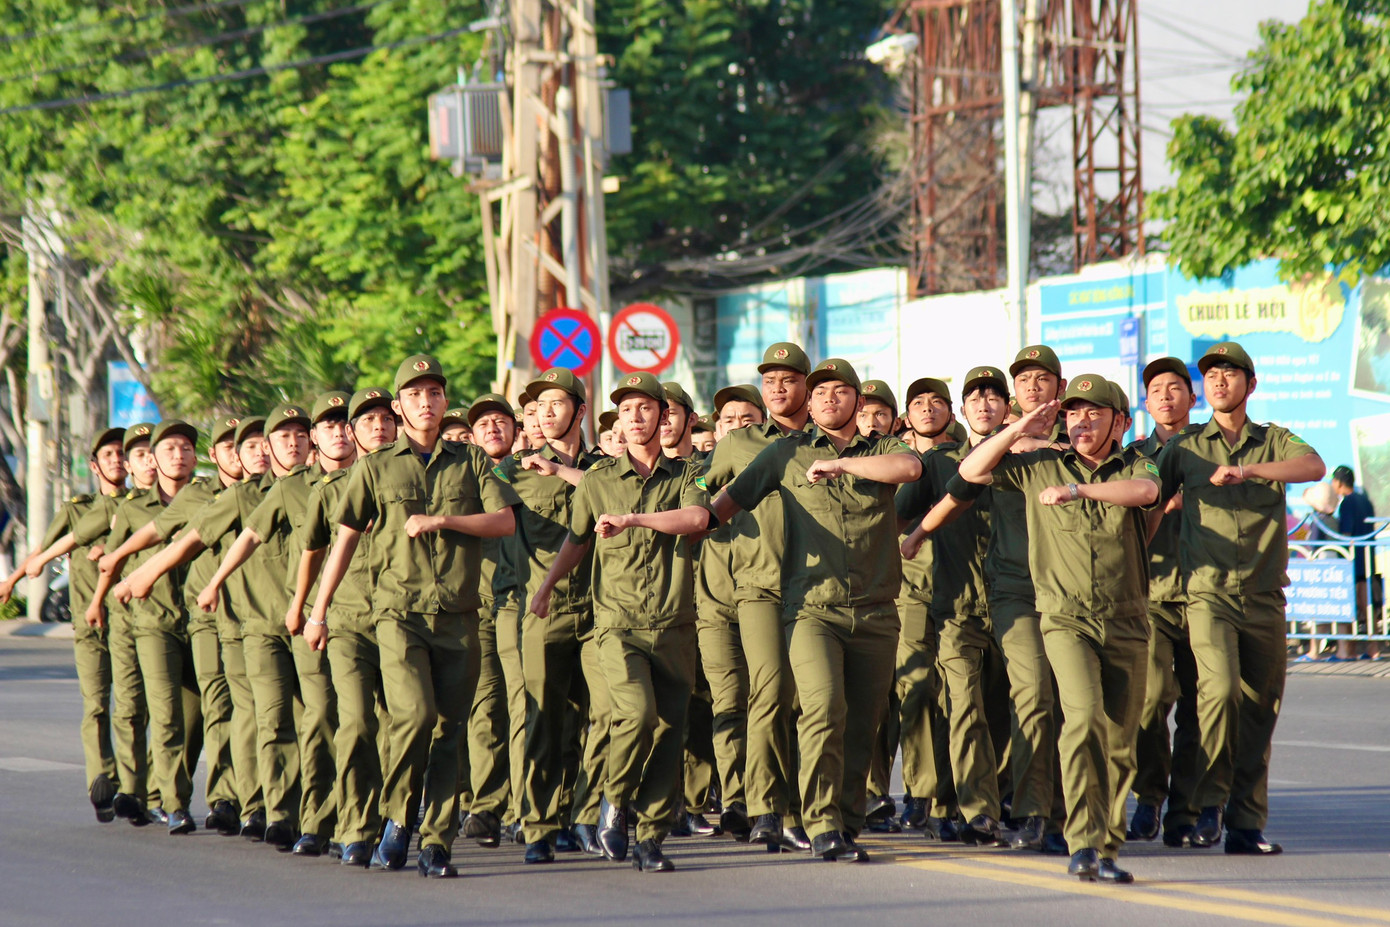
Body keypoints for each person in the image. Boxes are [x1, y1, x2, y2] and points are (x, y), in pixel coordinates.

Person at [309, 355, 519, 878]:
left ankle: (437, 843)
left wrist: (442, 520)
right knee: (416, 715)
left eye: (434, 393)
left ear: (446, 402)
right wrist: (318, 612)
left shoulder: (470, 463)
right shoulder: (375, 467)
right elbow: (344, 542)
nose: (426, 402)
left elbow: (504, 521)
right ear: (400, 407)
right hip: (398, 614)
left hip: (459, 616)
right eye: (415, 395)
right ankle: (398, 815)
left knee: (450, 729)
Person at [710, 358, 923, 862]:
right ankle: (820, 821)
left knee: (862, 722)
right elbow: (725, 503)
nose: (830, 399)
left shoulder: (884, 448)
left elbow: (910, 469)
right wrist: (663, 521)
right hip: (810, 610)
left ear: (857, 401)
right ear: (811, 401)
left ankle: (848, 822)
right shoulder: (786, 453)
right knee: (823, 708)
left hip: (876, 611)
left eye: (841, 391)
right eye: (822, 392)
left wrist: (842, 465)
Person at [958, 376, 1160, 883]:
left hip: (1128, 618)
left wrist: (1078, 490)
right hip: (1065, 618)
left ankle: (1107, 846)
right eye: (1074, 414)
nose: (1082, 422)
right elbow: (971, 469)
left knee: (1119, 740)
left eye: (1095, 414)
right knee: (1084, 718)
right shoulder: (1038, 464)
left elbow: (1147, 491)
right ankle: (1084, 842)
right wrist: (1018, 428)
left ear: (1120, 422)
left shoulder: (1136, 461)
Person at [530, 371, 711, 873]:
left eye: (645, 409)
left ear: (663, 416)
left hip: (675, 622)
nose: (634, 418)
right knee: (637, 714)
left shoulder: (689, 474)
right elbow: (578, 539)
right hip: (617, 624)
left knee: (670, 732)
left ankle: (651, 837)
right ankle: (614, 799)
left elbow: (697, 520)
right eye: (626, 410)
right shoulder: (597, 480)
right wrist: (546, 587)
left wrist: (633, 520)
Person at [1158, 341, 1326, 856]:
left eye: (1230, 375)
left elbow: (1314, 467)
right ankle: (1208, 804)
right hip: (1207, 596)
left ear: (1250, 385)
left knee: (1260, 708)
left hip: (1264, 596)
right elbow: (1150, 497)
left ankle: (1245, 824)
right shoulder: (1184, 446)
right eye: (1210, 376)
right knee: (1221, 691)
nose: (1218, 383)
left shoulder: (1274, 440)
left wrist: (1250, 471)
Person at [700, 344, 814, 854]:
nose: (777, 388)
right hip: (759, 586)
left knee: (811, 703)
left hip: (819, 588)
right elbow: (701, 498)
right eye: (769, 380)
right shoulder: (737, 444)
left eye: (788, 379)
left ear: (806, 387)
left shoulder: (824, 444)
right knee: (768, 695)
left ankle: (814, 806)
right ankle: (767, 808)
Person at [898, 368, 1013, 845]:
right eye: (974, 398)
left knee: (1008, 711)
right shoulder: (940, 463)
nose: (984, 405)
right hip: (957, 605)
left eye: (993, 397)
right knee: (963, 706)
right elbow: (900, 511)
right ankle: (975, 809)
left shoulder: (1030, 459)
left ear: (1008, 408)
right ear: (962, 413)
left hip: (1014, 604)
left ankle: (1001, 796)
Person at [495, 367, 603, 863]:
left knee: (604, 715)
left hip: (602, 610)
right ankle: (538, 824)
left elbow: (621, 498)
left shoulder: (606, 470)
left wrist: (562, 471)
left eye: (558, 402)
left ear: (580, 411)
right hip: (542, 609)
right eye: (538, 406)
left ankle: (582, 816)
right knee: (543, 718)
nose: (545, 412)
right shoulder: (510, 472)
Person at [0, 426, 127, 822]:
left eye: (124, 454)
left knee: (135, 706)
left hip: (132, 619)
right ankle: (101, 779)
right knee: (97, 704)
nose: (119, 461)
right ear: (94, 465)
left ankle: (136, 786)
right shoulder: (78, 509)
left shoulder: (145, 504)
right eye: (109, 455)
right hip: (90, 623)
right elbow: (43, 550)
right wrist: (12, 580)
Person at [1126, 358, 1202, 848]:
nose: (1167, 396)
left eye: (1176, 388)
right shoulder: (1134, 456)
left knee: (1201, 707)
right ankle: (1150, 795)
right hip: (1151, 595)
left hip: (1204, 594)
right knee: (1151, 701)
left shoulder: (1209, 452)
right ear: (1146, 402)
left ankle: (1187, 809)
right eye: (1157, 389)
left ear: (1192, 398)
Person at [460, 391, 524, 848]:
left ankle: (524, 809)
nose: (492, 430)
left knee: (523, 707)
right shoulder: (460, 479)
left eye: (500, 421)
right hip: (476, 607)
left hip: (524, 604)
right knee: (484, 710)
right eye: (482, 425)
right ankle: (485, 806)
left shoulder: (533, 474)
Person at [1331, 465, 1380, 659]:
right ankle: (1373, 648)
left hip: (1355, 563)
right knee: (1369, 607)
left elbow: (1346, 534)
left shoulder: (1347, 503)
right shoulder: (1365, 500)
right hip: (1369, 559)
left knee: (1357, 605)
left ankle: (1351, 650)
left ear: (1339, 482)